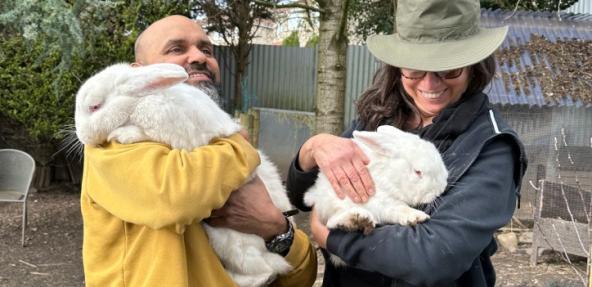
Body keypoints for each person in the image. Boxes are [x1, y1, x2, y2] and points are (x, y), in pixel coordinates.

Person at [286, 0, 527, 286]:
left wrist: (332, 236)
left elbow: (435, 256)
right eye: (414, 70)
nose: (430, 85)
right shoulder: (379, 117)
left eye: (449, 71)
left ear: (473, 67)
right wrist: (313, 150)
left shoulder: (491, 145)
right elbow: (302, 196)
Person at [80, 15, 317, 286]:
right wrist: (238, 147)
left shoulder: (219, 148)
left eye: (206, 49)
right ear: (138, 74)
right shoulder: (115, 143)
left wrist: (277, 229)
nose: (199, 57)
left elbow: (302, 275)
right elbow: (174, 197)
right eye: (176, 49)